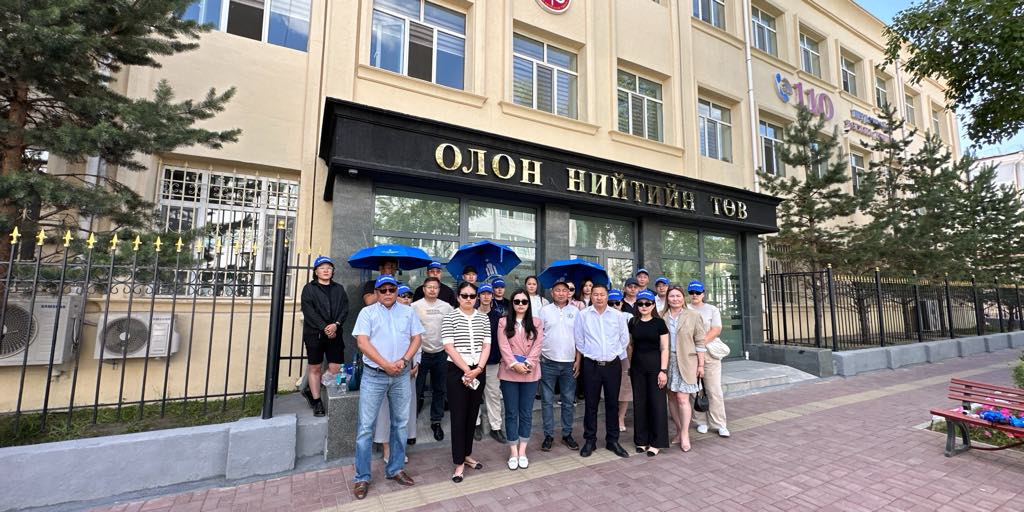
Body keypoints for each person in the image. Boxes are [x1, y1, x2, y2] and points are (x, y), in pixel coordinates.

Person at [351, 275, 424, 500]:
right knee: (365, 427)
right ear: (376, 292)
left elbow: (417, 338)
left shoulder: (408, 312)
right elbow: (362, 343)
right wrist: (385, 364)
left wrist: (404, 360)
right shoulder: (367, 313)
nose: (388, 293)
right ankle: (362, 477)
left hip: (401, 375)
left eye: (392, 289)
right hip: (374, 375)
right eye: (383, 290)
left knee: (400, 424)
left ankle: (395, 469)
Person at [441, 282, 491, 483]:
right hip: (457, 371)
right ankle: (459, 462)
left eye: (472, 296)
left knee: (472, 415)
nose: (468, 299)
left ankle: (467, 454)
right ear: (458, 297)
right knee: (458, 417)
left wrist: (478, 369)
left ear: (476, 297)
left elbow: (486, 345)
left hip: (478, 370)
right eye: (464, 295)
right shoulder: (450, 317)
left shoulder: (483, 318)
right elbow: (448, 347)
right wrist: (467, 370)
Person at [573, 283, 630, 458]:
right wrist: (590, 353)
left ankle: (613, 440)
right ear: (591, 296)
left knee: (612, 403)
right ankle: (590, 440)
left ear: (607, 296)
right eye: (595, 294)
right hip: (591, 365)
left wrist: (614, 353)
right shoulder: (583, 315)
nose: (599, 297)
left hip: (612, 365)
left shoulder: (617, 315)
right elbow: (579, 339)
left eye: (602, 294)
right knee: (591, 404)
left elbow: (624, 338)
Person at [496, 289, 544, 470]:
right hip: (509, 372)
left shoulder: (537, 322)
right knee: (511, 413)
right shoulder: (503, 322)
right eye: (517, 301)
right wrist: (514, 364)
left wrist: (528, 364)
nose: (521, 304)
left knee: (526, 412)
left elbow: (538, 346)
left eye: (524, 301)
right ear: (512, 303)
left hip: (530, 372)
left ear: (528, 304)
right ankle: (513, 451)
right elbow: (503, 346)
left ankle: (522, 451)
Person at [299, 256, 349, 417]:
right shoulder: (309, 289)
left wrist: (336, 324)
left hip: (335, 333)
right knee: (315, 367)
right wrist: (324, 327)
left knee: (336, 368)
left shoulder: (339, 289)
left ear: (333, 271)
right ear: (316, 272)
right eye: (322, 268)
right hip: (315, 334)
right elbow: (309, 311)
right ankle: (317, 400)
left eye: (329, 268)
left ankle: (313, 387)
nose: (326, 270)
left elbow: (344, 309)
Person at [375, 285, 419, 461]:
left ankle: (400, 449)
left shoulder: (412, 315)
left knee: (404, 412)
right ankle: (387, 449)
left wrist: (416, 364)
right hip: (385, 370)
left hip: (408, 371)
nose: (406, 298)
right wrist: (387, 365)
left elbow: (418, 342)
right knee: (385, 411)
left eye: (409, 295)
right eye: (402, 295)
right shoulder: (379, 314)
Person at [661, 285, 707, 452]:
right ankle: (679, 430)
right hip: (667, 361)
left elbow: (700, 342)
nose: (675, 299)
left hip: (687, 362)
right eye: (672, 296)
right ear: (667, 298)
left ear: (683, 298)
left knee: (682, 398)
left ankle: (685, 434)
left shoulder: (693, 315)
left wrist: (701, 364)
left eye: (678, 296)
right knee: (672, 397)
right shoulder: (661, 316)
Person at [537, 281, 581, 452]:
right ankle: (548, 435)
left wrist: (578, 360)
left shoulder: (575, 312)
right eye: (558, 290)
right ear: (552, 292)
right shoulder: (544, 311)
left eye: (564, 290)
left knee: (568, 401)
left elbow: (579, 337)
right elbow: (538, 335)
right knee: (547, 401)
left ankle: (567, 434)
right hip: (547, 362)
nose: (561, 293)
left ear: (569, 293)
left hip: (569, 363)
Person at [411, 277, 453, 441]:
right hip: (420, 353)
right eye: (429, 287)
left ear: (439, 289)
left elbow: (452, 327)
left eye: (435, 287)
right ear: (423, 289)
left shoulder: (446, 307)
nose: (432, 290)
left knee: (440, 389)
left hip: (441, 353)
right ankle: (410, 425)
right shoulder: (414, 306)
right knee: (416, 389)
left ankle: (436, 421)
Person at [628, 290, 669, 456]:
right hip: (637, 368)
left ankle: (657, 442)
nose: (644, 306)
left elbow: (665, 348)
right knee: (639, 403)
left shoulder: (659, 323)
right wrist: (630, 365)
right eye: (640, 303)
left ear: (653, 305)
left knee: (657, 404)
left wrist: (663, 370)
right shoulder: (633, 322)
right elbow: (630, 345)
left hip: (655, 367)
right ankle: (641, 440)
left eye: (647, 303)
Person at [686, 280, 729, 437]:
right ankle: (700, 421)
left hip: (709, 353)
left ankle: (719, 424)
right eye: (691, 292)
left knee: (713, 389)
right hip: (691, 355)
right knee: (695, 390)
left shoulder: (712, 309)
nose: (695, 295)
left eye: (698, 292)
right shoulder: (685, 309)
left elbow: (716, 329)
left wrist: (700, 343)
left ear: (703, 293)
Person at [475, 284, 506, 444]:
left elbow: (502, 339)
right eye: (483, 294)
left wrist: (501, 357)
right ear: (478, 296)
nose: (486, 296)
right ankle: (475, 424)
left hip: (493, 362)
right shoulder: (472, 314)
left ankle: (496, 427)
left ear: (492, 296)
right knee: (474, 394)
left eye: (489, 294)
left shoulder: (498, 316)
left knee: (493, 395)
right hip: (474, 363)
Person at [608, 290, 633, 434]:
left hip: (624, 357)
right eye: (610, 303)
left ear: (622, 303)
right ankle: (612, 416)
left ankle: (621, 418)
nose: (614, 306)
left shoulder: (628, 317)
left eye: (616, 303)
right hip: (607, 358)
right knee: (610, 389)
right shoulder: (602, 316)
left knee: (624, 389)